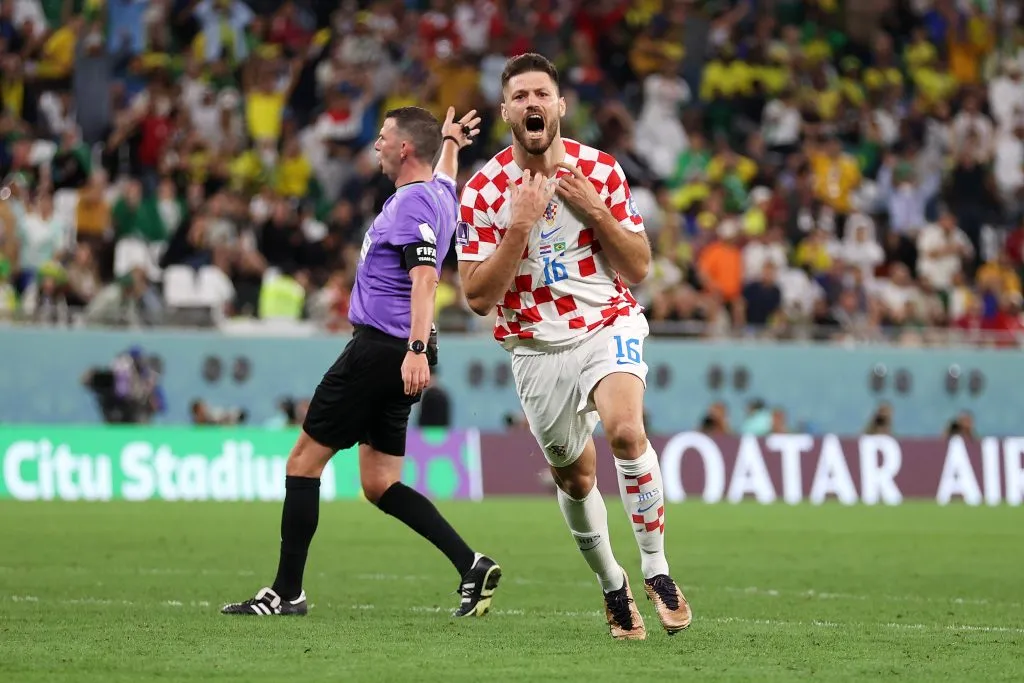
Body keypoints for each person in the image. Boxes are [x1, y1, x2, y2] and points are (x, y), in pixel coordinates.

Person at [222, 105, 502, 618]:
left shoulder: (408, 207)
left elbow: (425, 280)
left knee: (303, 461)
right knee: (379, 482)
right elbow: (444, 174)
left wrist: (416, 350)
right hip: (402, 351)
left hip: (383, 349)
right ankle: (471, 564)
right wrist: (453, 143)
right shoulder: (439, 193)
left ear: (404, 149)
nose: (374, 145)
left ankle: (286, 592)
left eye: (382, 137)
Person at [456, 53, 691, 640]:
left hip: (605, 323)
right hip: (536, 349)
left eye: (542, 93)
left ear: (560, 105)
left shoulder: (601, 171)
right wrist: (520, 226)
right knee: (576, 479)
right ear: (506, 109)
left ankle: (658, 571)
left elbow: (638, 267)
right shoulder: (484, 191)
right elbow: (478, 297)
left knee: (626, 431)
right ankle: (613, 585)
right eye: (520, 96)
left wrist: (594, 210)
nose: (532, 103)